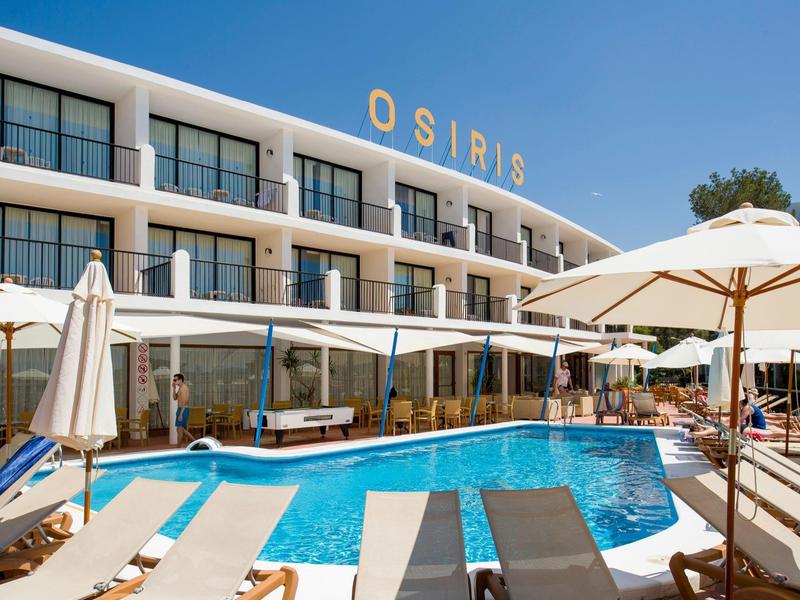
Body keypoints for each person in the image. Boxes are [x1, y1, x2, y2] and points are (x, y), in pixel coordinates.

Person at [173, 373, 194, 446]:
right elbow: (175, 398)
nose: (174, 381)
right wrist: (174, 388)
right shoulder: (180, 388)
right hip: (180, 409)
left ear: (180, 380)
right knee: (180, 429)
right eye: (174, 380)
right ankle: (195, 441)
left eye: (175, 380)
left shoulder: (184, 388)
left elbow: (185, 402)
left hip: (183, 410)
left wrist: (181, 414)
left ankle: (178, 447)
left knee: (179, 430)